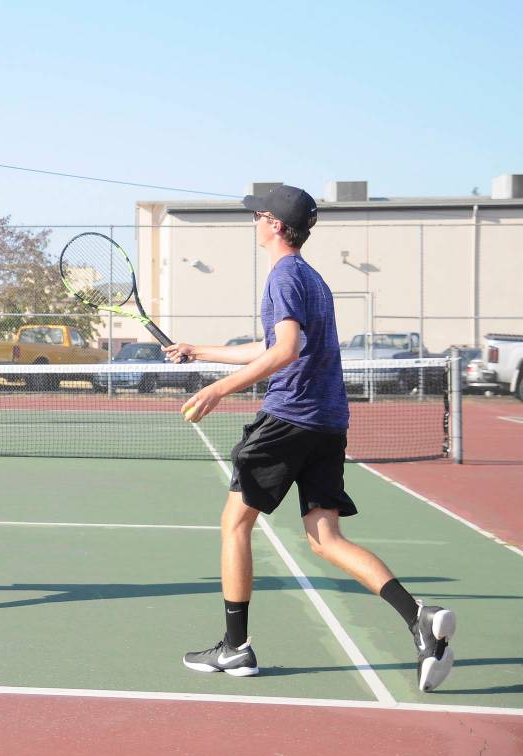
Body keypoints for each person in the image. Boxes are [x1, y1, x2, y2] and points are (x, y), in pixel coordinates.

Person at [166, 185, 456, 692]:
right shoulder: (311, 279)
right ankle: (419, 620)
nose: (253, 222)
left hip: (289, 419)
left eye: (257, 216)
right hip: (328, 422)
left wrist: (219, 388)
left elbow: (286, 351)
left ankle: (235, 648)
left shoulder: (281, 276)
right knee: (326, 539)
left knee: (234, 524)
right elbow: (269, 345)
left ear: (276, 224)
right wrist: (202, 351)